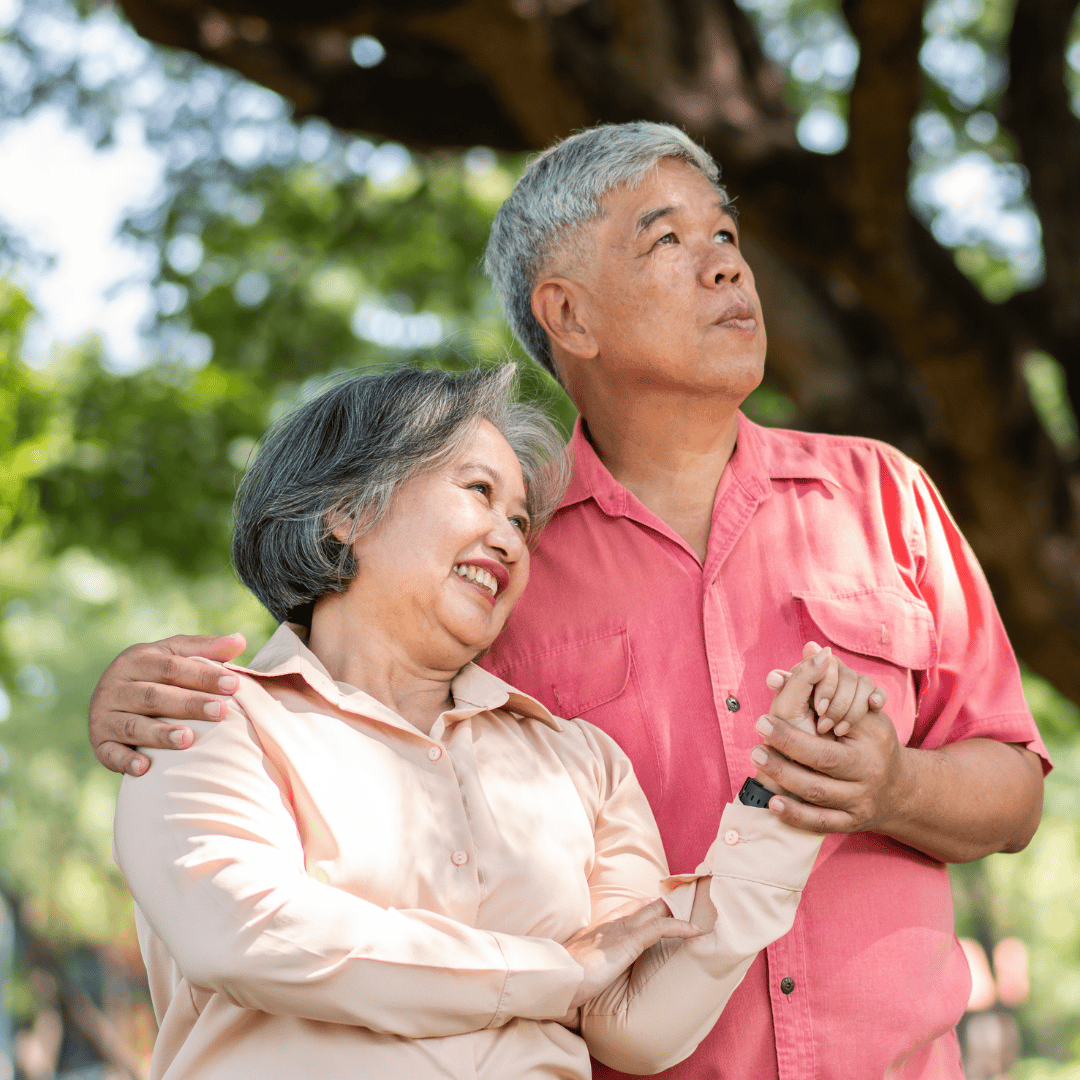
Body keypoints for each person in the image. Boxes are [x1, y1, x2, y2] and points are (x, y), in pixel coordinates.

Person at [91, 124, 1049, 1079]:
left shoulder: (881, 497)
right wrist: (144, 693)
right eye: (667, 239)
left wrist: (880, 790)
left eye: (726, 235)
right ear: (569, 315)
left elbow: (1013, 788)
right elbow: (345, 677)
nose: (725, 267)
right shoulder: (477, 588)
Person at [113, 364, 877, 1080]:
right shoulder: (203, 718)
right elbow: (247, 935)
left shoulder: (582, 761)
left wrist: (784, 804)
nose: (512, 536)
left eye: (521, 519)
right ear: (346, 510)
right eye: (478, 492)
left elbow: (630, 1023)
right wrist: (554, 973)